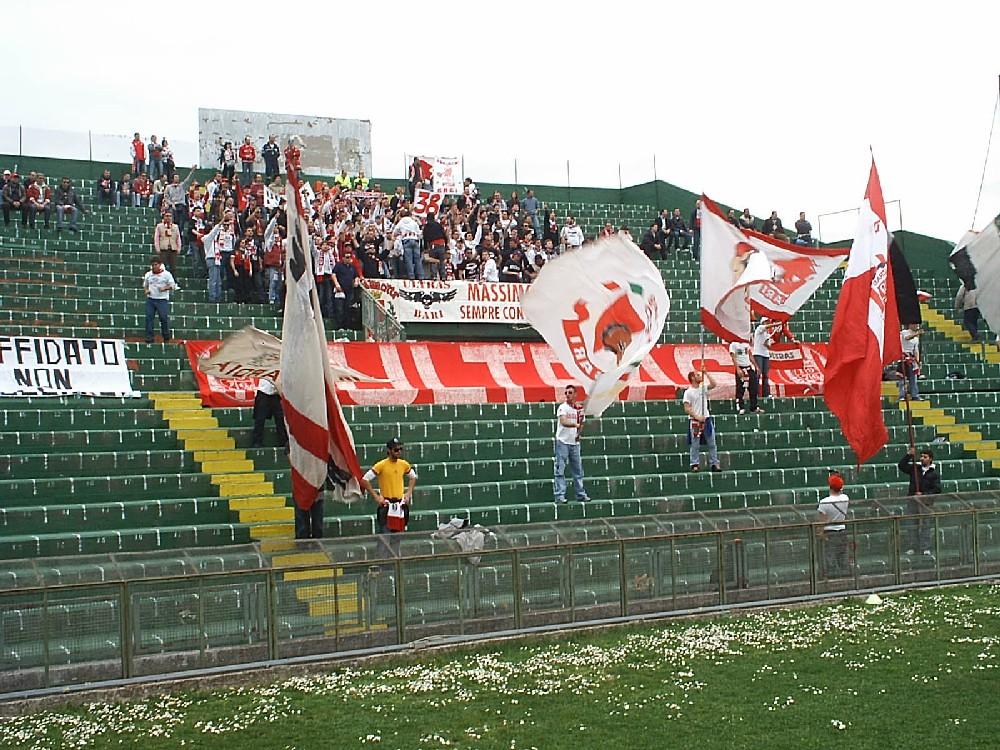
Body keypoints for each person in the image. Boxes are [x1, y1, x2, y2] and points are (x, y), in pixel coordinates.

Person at [361, 438, 418, 536]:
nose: (399, 452)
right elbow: (365, 479)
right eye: (396, 450)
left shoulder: (403, 464)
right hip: (387, 505)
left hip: (400, 505)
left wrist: (408, 494)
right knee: (385, 536)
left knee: (398, 536)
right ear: (389, 450)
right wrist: (376, 496)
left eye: (400, 449)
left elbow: (413, 477)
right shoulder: (381, 465)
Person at [899, 447, 942, 555]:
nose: (922, 458)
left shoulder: (934, 474)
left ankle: (925, 547)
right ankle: (912, 546)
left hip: (925, 503)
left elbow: (936, 489)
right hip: (912, 501)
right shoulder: (915, 469)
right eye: (921, 456)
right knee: (912, 524)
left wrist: (923, 495)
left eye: (925, 457)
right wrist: (908, 455)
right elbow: (902, 466)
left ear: (930, 459)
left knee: (925, 525)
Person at [554, 384, 589, 503]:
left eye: (570, 392)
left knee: (578, 470)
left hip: (574, 443)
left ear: (575, 394)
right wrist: (575, 425)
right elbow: (563, 421)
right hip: (562, 442)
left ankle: (580, 494)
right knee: (560, 470)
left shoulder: (579, 409)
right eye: (566, 393)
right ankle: (560, 495)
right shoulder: (562, 408)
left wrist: (579, 433)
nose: (567, 395)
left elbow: (582, 423)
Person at [683, 370, 721, 472]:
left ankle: (714, 463)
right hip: (695, 420)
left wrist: (707, 373)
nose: (700, 376)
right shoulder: (688, 392)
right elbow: (687, 408)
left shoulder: (703, 388)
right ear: (692, 378)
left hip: (706, 419)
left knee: (712, 443)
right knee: (695, 444)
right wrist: (697, 416)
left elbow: (714, 384)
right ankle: (694, 463)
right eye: (698, 375)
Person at [817, 473, 850, 578]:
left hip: (829, 532)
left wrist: (820, 533)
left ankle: (831, 578)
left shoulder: (824, 502)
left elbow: (822, 520)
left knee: (829, 557)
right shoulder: (845, 498)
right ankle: (844, 577)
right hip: (842, 531)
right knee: (842, 556)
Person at [143, 256, 176, 343]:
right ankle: (149, 337)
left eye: (156, 265)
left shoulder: (166, 274)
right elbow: (145, 285)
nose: (154, 267)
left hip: (162, 299)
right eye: (153, 265)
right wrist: (146, 290)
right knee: (149, 317)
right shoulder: (148, 275)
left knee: (163, 318)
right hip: (151, 299)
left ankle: (166, 336)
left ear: (160, 265)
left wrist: (164, 288)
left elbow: (173, 285)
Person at [251, 377, 288, 449]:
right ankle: (256, 442)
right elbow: (276, 383)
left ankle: (283, 441)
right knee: (260, 419)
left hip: (275, 395)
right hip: (263, 393)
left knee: (280, 419)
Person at [729, 337, 761, 414]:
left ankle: (754, 407)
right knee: (740, 389)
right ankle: (741, 407)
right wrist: (737, 369)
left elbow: (750, 355)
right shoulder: (734, 344)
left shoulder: (746, 343)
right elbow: (733, 357)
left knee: (754, 388)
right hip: (741, 367)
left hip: (749, 367)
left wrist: (756, 366)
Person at [897, 324, 922, 401]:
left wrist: (918, 361)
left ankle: (915, 395)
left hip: (912, 359)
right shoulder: (904, 332)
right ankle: (902, 395)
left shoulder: (916, 339)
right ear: (911, 325)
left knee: (913, 379)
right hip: (903, 358)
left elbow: (916, 350)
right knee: (902, 379)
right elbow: (907, 338)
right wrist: (917, 334)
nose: (917, 325)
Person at [153, 211, 182, 275]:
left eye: (170, 216)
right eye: (167, 216)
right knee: (163, 266)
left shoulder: (175, 227)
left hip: (173, 248)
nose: (168, 217)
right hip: (163, 248)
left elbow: (178, 238)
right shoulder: (159, 226)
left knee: (173, 267)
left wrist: (179, 248)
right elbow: (156, 238)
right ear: (164, 217)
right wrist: (157, 248)